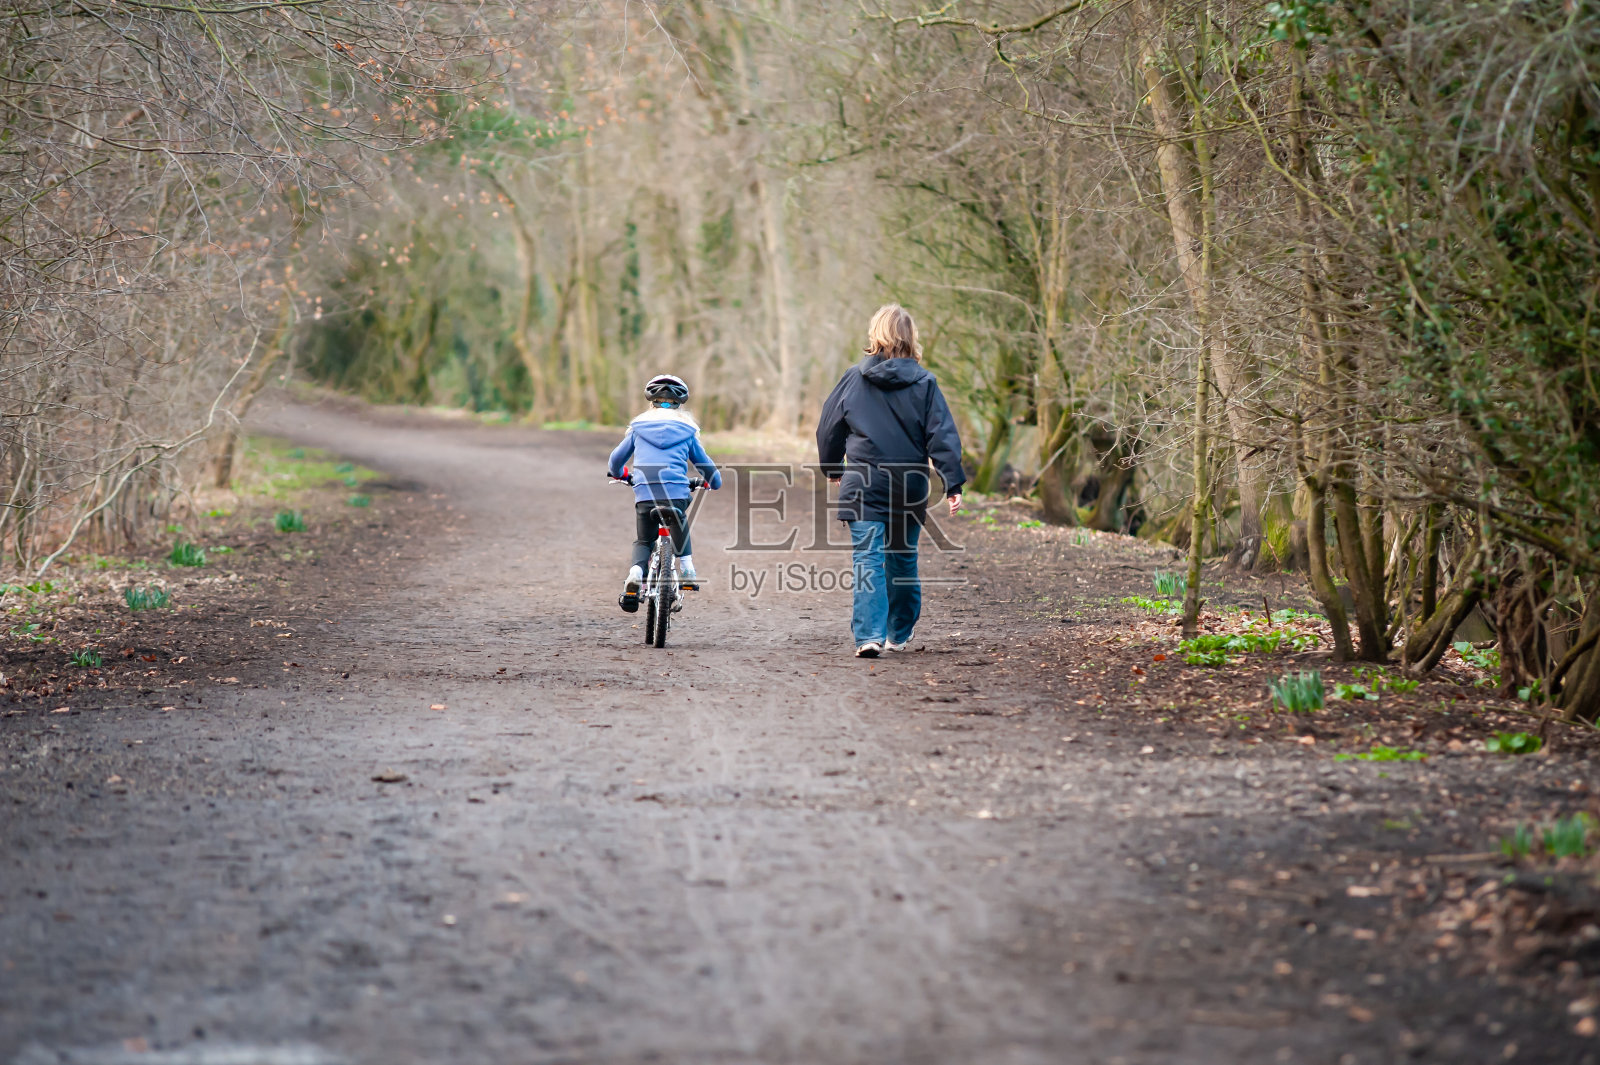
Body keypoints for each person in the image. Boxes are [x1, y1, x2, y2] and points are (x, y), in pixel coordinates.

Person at [816, 304, 964, 658]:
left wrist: (833, 467)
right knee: (902, 559)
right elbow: (942, 436)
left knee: (868, 559)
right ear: (911, 338)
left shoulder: (853, 377)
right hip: (909, 486)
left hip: (864, 483)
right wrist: (952, 482)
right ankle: (898, 633)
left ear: (875, 335)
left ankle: (868, 636)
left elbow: (829, 428)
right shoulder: (925, 382)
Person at [608, 373, 722, 613]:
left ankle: (635, 573)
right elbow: (706, 466)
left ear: (651, 403)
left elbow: (615, 461)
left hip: (645, 492)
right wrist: (713, 482)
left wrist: (621, 474)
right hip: (676, 490)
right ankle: (688, 569)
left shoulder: (637, 428)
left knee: (644, 539)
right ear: (680, 405)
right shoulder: (688, 431)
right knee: (679, 514)